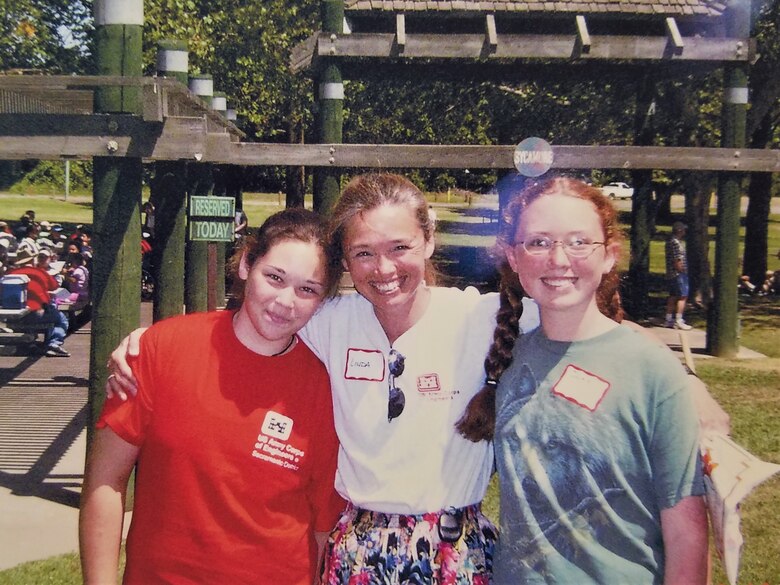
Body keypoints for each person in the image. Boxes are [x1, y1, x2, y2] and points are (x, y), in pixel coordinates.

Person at [105, 173, 727, 583]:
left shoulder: (486, 316)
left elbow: (594, 323)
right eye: (363, 254)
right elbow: (265, 312)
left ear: (429, 242)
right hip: (357, 548)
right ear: (345, 264)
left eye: (400, 247)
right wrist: (144, 345)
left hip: (455, 551)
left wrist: (684, 392)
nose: (384, 269)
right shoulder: (333, 319)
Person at [79, 208, 345, 585]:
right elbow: (105, 481)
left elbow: (323, 528)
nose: (286, 301)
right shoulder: (160, 349)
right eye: (274, 277)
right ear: (246, 265)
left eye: (307, 289)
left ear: (323, 299)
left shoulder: (326, 388)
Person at [462, 177, 707, 583]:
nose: (558, 259)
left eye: (579, 242)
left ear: (609, 255)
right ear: (513, 256)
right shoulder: (507, 356)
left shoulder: (651, 369)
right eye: (538, 242)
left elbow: (687, 532)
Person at [7, 248, 70, 357]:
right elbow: (54, 286)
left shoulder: (10, 274)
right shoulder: (39, 272)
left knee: (33, 314)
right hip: (38, 313)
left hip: (14, 317)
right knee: (62, 319)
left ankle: (30, 344)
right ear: (32, 260)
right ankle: (53, 344)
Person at [664, 221, 692, 330]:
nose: (685, 231)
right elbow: (677, 259)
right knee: (683, 296)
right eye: (683, 229)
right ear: (679, 230)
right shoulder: (675, 243)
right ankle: (679, 320)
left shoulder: (670, 242)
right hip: (678, 274)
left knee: (673, 295)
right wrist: (682, 270)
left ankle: (668, 319)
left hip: (671, 274)